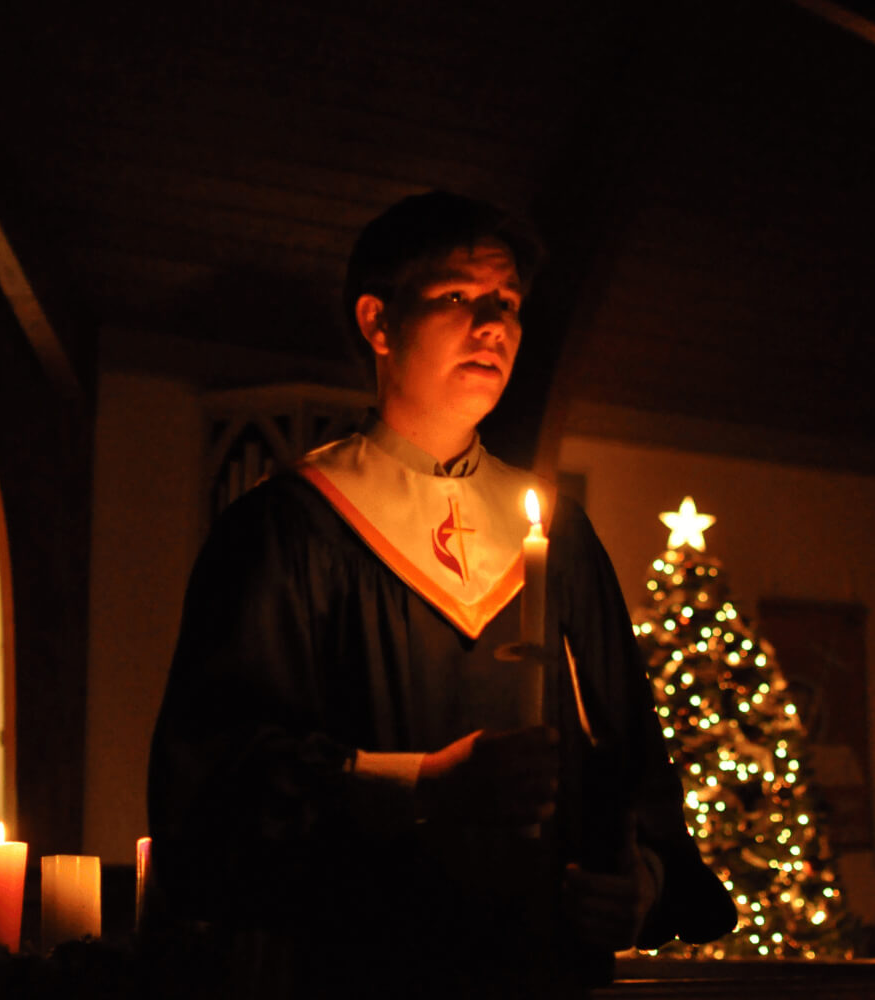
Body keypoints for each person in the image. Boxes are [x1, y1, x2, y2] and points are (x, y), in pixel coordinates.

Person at [148, 192, 734, 996]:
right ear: (377, 323)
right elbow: (216, 791)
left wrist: (641, 884)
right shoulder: (287, 532)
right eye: (459, 298)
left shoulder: (559, 542)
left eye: (509, 305)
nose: (494, 325)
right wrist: (424, 785)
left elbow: (633, 770)